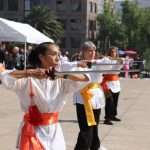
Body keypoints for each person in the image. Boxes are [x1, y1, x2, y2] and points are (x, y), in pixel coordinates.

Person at [0, 42, 89, 150]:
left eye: (59, 54)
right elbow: (5, 76)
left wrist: (62, 74)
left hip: (54, 130)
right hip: (32, 130)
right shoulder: (27, 79)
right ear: (41, 56)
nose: (58, 58)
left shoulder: (61, 79)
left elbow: (85, 78)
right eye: (54, 54)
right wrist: (30, 72)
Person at [73, 41, 110, 150]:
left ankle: (95, 146)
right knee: (86, 128)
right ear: (83, 52)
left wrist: (109, 60)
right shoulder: (77, 64)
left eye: (94, 51)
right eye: (89, 51)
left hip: (96, 97)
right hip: (83, 97)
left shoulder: (98, 63)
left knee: (94, 124)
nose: (92, 53)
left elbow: (108, 66)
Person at [103, 47, 122, 125]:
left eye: (114, 52)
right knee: (109, 101)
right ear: (109, 53)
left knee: (115, 101)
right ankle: (107, 118)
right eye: (112, 52)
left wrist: (115, 58)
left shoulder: (118, 60)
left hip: (116, 83)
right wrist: (108, 58)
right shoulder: (106, 60)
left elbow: (121, 62)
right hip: (106, 83)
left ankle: (113, 115)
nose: (113, 53)